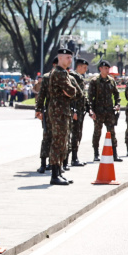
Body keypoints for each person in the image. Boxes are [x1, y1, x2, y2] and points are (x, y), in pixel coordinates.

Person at [38, 48, 77, 186]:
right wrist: (70, 91)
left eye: (70, 58)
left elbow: (72, 92)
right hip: (58, 111)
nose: (70, 60)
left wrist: (70, 92)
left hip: (62, 111)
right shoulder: (59, 73)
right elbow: (72, 90)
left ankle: (59, 172)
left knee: (63, 141)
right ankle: (54, 175)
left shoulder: (62, 73)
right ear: (60, 58)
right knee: (57, 142)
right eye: (67, 58)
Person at [88, 60, 123, 163]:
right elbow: (90, 97)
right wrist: (91, 110)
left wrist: (117, 104)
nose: (106, 70)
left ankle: (115, 154)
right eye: (104, 68)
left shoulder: (111, 81)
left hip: (109, 111)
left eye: (107, 68)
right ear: (100, 69)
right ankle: (96, 154)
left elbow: (117, 95)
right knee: (97, 133)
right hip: (98, 112)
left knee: (111, 132)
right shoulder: (94, 81)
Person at [68, 58, 90, 167]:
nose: (86, 70)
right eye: (84, 67)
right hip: (75, 111)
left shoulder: (79, 77)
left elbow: (83, 95)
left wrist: (88, 108)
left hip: (80, 110)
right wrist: (74, 110)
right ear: (79, 66)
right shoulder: (73, 77)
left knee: (77, 134)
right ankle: (67, 159)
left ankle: (74, 158)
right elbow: (73, 96)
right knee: (73, 134)